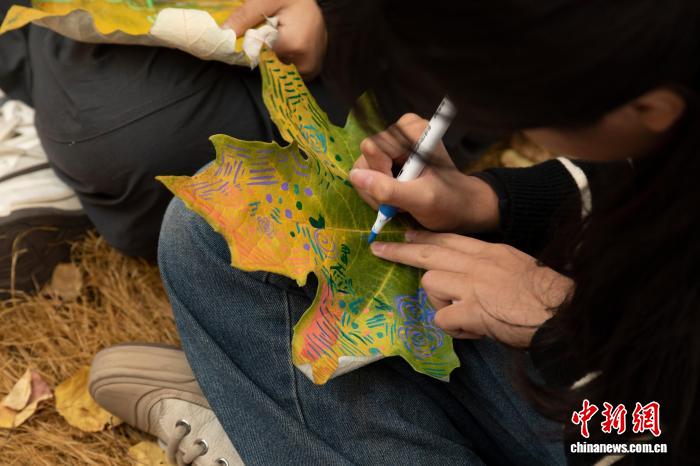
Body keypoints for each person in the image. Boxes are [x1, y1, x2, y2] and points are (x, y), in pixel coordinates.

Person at [90, 0, 699, 465]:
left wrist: (553, 329)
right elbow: (640, 177)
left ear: (651, 108)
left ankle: (271, 430)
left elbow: (646, 434)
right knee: (214, 228)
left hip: (633, 422)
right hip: (604, 355)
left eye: (514, 104)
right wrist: (488, 202)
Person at [0, 0, 348, 293]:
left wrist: (331, 10)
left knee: (124, 137)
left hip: (315, 51)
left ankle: (31, 78)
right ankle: (26, 77)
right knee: (103, 127)